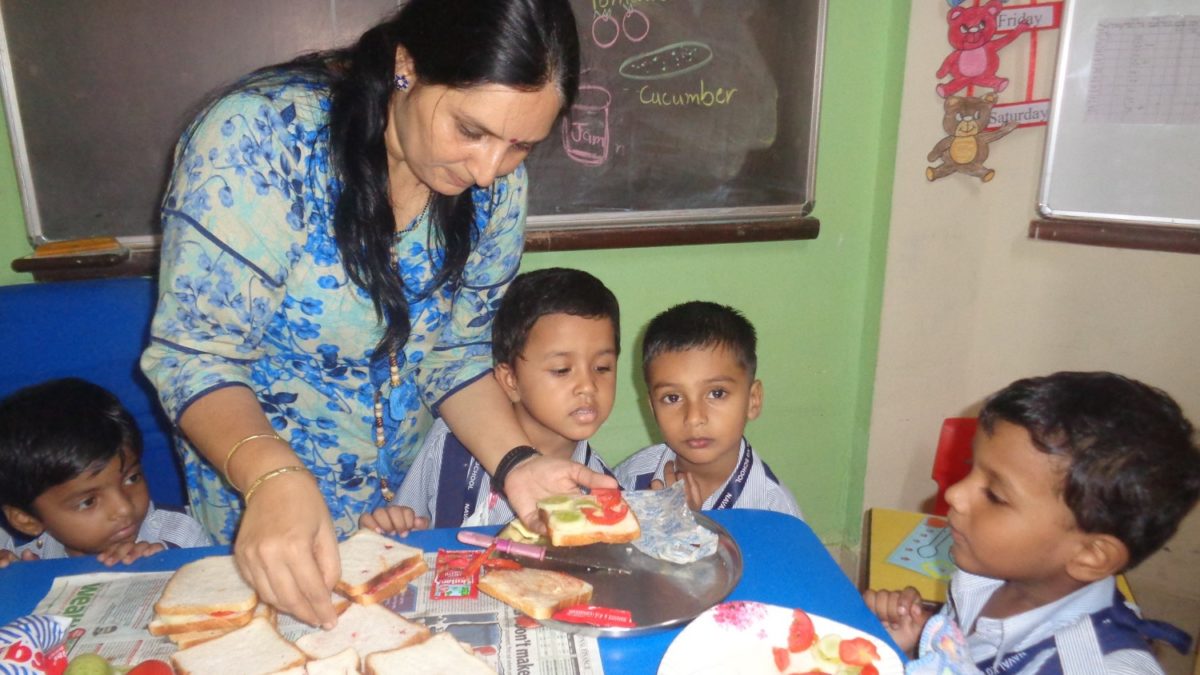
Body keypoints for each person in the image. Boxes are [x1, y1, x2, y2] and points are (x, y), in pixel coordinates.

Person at [140, 0, 614, 627]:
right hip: (264, 505)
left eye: (520, 145)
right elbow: (196, 356)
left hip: (398, 521)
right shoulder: (262, 141)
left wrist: (517, 462)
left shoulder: (498, 188)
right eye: (470, 130)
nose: (487, 171)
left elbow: (456, 354)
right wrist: (271, 476)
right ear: (406, 66)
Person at [864, 372, 1200, 674]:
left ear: (1090, 555)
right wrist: (923, 641)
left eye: (995, 495)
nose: (955, 494)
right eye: (970, 467)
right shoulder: (991, 570)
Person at [361, 267, 620, 534]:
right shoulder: (450, 442)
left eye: (602, 367)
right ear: (511, 380)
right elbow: (406, 520)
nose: (588, 386)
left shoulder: (603, 492)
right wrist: (397, 525)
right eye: (562, 370)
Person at [614, 301, 803, 517]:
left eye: (717, 393)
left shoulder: (775, 512)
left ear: (753, 400)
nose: (694, 418)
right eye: (672, 397)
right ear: (653, 408)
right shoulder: (631, 479)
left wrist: (684, 527)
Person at [0, 379, 211, 568]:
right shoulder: (33, 559)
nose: (124, 508)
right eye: (88, 502)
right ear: (27, 520)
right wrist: (20, 582)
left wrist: (163, 564)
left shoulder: (178, 535)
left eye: (132, 478)